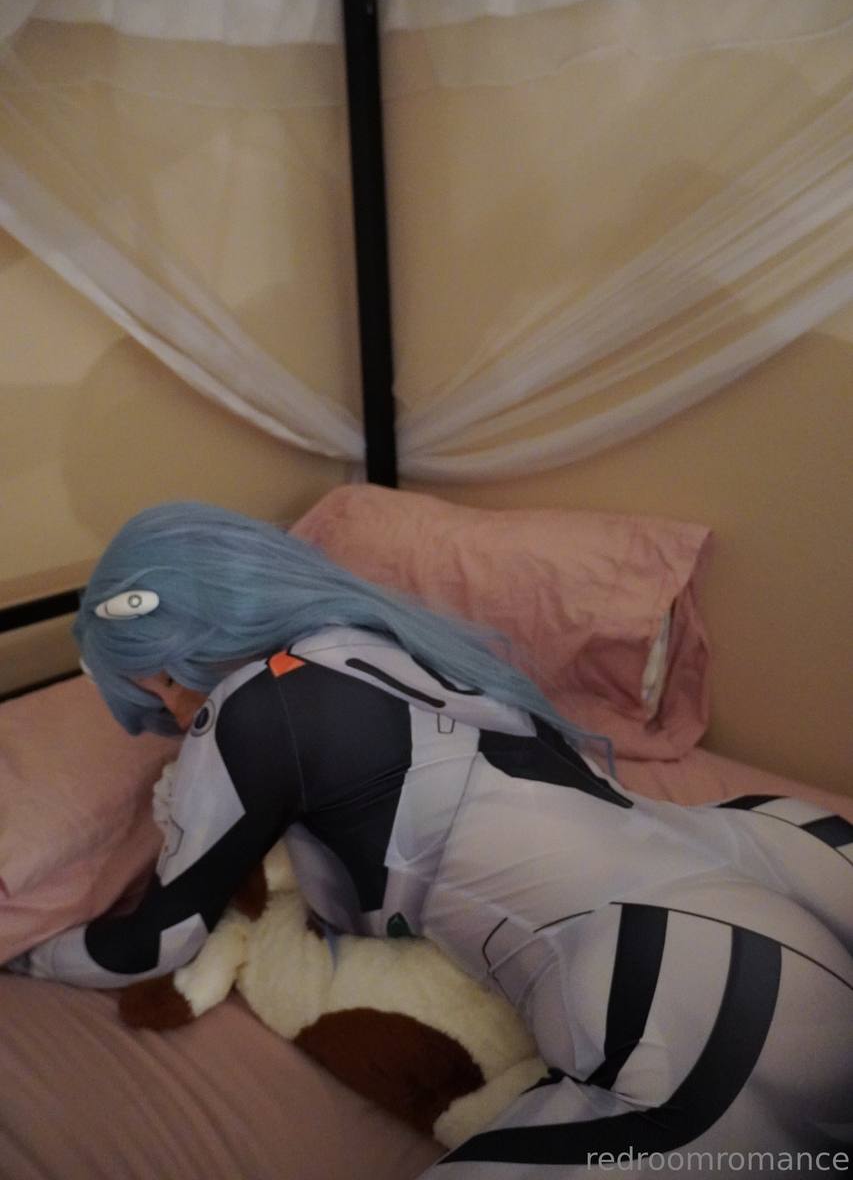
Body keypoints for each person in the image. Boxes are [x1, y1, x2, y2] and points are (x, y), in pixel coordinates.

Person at [17, 502, 853, 1177]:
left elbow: (153, 943)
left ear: (170, 661)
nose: (170, 717)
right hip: (781, 856)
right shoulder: (390, 638)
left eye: (157, 693)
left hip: (684, 987)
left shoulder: (247, 713)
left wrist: (30, 953)